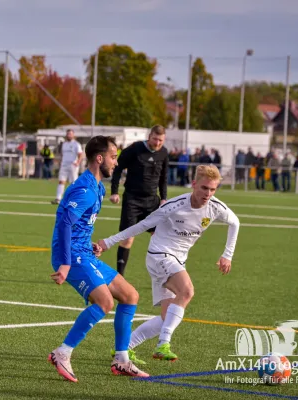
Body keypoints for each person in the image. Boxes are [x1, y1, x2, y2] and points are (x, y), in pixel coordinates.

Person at [98, 164, 240, 362]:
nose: (208, 193)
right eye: (204, 188)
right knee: (187, 291)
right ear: (194, 184)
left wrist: (228, 255)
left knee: (167, 317)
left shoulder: (216, 207)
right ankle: (163, 344)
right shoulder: (174, 205)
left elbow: (235, 223)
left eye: (212, 189)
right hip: (160, 255)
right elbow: (143, 225)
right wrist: (109, 242)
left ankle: (124, 347)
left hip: (176, 260)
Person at [48, 135, 149, 383]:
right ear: (100, 158)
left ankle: (122, 360)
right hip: (72, 257)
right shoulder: (85, 189)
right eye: (114, 157)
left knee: (130, 296)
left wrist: (91, 244)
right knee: (105, 303)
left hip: (83, 252)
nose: (117, 163)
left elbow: (79, 225)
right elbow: (64, 224)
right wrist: (64, 262)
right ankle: (62, 352)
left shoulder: (98, 187)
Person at [109, 125, 168, 276]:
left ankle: (162, 274)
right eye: (155, 139)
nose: (157, 143)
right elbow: (118, 167)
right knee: (128, 238)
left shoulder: (163, 153)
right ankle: (119, 276)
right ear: (149, 136)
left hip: (152, 201)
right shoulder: (135, 148)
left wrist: (164, 198)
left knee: (160, 237)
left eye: (160, 140)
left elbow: (163, 178)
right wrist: (114, 192)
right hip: (132, 200)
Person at [51, 129, 83, 204]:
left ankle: (75, 199)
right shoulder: (64, 144)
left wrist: (78, 162)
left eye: (70, 134)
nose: (69, 135)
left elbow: (80, 154)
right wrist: (61, 162)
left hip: (73, 165)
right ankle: (58, 198)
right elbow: (63, 154)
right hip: (64, 165)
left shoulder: (76, 144)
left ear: (73, 135)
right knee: (61, 181)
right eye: (68, 134)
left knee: (73, 182)